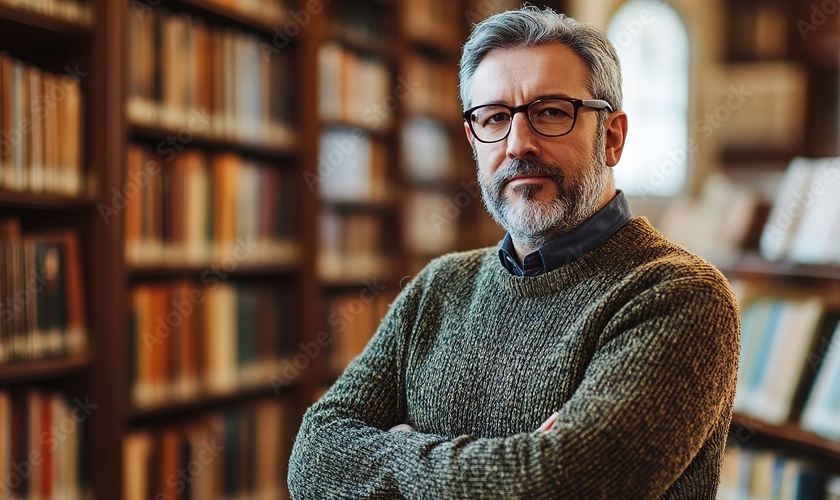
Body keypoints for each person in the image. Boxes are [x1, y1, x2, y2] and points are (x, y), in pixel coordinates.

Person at [288, 6, 740, 498]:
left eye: (551, 112)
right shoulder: (438, 287)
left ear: (611, 137)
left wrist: (397, 449)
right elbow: (312, 456)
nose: (518, 143)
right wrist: (509, 463)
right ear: (473, 139)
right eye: (495, 117)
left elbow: (558, 486)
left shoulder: (681, 295)